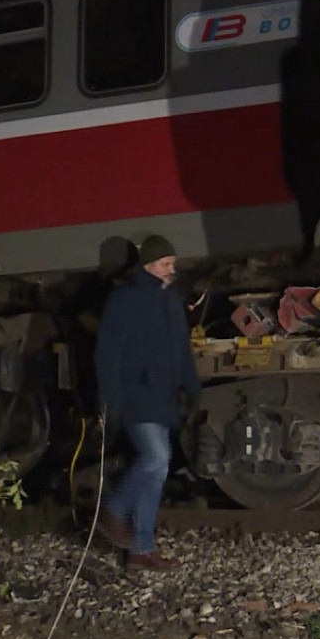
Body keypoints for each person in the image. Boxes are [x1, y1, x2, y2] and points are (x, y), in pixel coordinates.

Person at [94, 234, 199, 572]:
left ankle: (140, 550)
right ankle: (112, 511)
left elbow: (181, 347)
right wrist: (110, 398)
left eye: (173, 263)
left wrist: (192, 387)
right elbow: (108, 352)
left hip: (163, 396)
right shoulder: (126, 298)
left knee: (157, 470)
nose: (173, 269)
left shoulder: (169, 300)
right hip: (137, 394)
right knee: (156, 458)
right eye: (167, 263)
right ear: (150, 265)